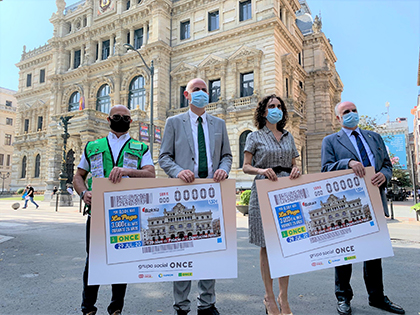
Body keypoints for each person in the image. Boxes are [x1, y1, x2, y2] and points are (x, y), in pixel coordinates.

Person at [321, 101, 405, 315]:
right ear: (338, 118)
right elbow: (326, 168)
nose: (351, 114)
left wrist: (384, 175)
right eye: (345, 112)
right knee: (345, 254)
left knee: (374, 252)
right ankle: (343, 298)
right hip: (347, 204)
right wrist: (347, 162)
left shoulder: (374, 137)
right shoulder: (330, 141)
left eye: (354, 110)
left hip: (374, 200)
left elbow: (387, 164)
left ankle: (377, 297)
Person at [159, 78, 232, 315]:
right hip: (183, 193)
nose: (201, 93)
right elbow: (165, 157)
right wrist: (179, 171)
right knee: (183, 249)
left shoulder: (219, 124)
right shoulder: (173, 122)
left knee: (210, 250)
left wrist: (224, 169)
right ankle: (181, 306)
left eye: (204, 90)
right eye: (196, 90)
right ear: (186, 95)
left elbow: (227, 156)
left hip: (211, 194)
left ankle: (207, 303)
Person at [73, 105, 155, 315]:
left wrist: (127, 171)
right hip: (97, 212)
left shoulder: (140, 147)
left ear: (131, 121)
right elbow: (78, 176)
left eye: (126, 117)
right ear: (109, 120)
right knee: (93, 260)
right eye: (117, 117)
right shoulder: (93, 146)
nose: (121, 120)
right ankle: (88, 307)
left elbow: (150, 174)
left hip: (128, 213)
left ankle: (116, 307)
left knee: (122, 261)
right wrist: (83, 193)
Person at [242, 94, 300, 315]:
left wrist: (296, 170)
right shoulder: (254, 136)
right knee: (266, 246)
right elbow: (246, 166)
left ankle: (283, 297)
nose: (275, 109)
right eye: (271, 106)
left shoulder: (288, 136)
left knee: (286, 243)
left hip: (286, 189)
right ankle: (269, 297)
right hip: (264, 187)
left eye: (279, 106)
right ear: (263, 111)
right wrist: (261, 170)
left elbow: (295, 164)